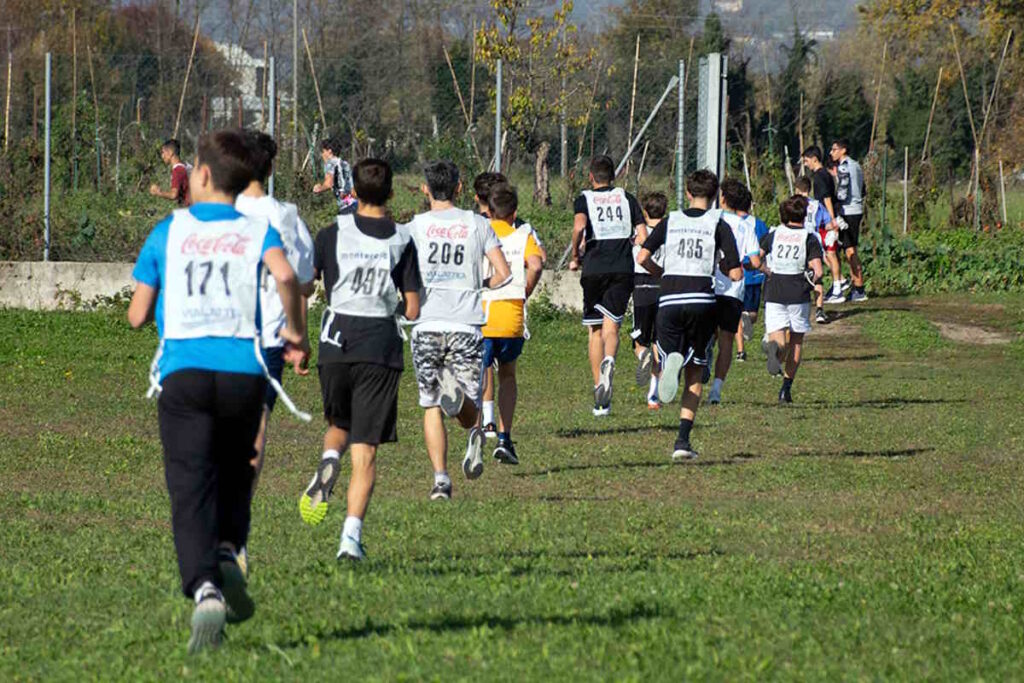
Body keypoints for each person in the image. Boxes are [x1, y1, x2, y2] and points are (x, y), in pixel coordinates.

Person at [127, 129, 310, 654]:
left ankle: (205, 587)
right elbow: (286, 276)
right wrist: (294, 331)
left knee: (189, 483)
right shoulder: (257, 232)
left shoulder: (170, 229)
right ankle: (229, 551)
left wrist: (145, 304)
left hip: (183, 374)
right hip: (242, 374)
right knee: (237, 468)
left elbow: (139, 315)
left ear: (201, 176)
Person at [298, 158, 423, 561]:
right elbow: (414, 309)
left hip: (335, 341)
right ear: (390, 194)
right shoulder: (402, 239)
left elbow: (306, 284)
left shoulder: (332, 233)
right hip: (378, 345)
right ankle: (350, 538)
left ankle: (328, 460)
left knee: (338, 424)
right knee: (366, 448)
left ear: (355, 190)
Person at [233, 130, 315, 575]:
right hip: (264, 340)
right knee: (254, 434)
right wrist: (297, 337)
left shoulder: (209, 214)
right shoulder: (285, 216)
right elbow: (302, 280)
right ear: (270, 167)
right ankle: (236, 531)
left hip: (209, 338)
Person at [408, 160, 511, 500]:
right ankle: (474, 429)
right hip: (466, 323)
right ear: (460, 187)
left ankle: (440, 480)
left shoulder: (415, 226)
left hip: (426, 323)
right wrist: (479, 284)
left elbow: (403, 275)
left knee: (431, 405)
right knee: (468, 411)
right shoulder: (477, 224)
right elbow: (504, 274)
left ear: (425, 189)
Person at [636, 169, 741, 460]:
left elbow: (643, 257)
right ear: (715, 193)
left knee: (669, 349)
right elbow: (735, 272)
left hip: (669, 296)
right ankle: (682, 441)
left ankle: (669, 358)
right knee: (696, 370)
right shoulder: (718, 222)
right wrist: (724, 267)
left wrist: (662, 274)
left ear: (688, 192)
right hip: (701, 299)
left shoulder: (672, 219)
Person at [568, 155, 645, 416]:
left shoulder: (585, 199)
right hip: (622, 268)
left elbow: (579, 226)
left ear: (591, 177)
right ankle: (609, 361)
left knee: (595, 331)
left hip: (594, 267)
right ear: (614, 176)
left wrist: (576, 255)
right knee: (613, 325)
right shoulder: (627, 198)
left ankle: (600, 392)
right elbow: (643, 236)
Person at [473, 171, 547, 436]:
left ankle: (483, 423)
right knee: (507, 373)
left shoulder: (474, 228)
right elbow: (539, 260)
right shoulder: (522, 229)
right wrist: (525, 289)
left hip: (482, 311)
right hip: (512, 314)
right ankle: (502, 433)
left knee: (479, 370)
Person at [758, 195, 824, 404]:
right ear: (804, 216)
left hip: (775, 289)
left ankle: (774, 351)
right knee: (796, 340)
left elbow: (757, 258)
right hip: (798, 291)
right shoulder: (809, 238)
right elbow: (818, 271)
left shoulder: (773, 235)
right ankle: (785, 389)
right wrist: (810, 279)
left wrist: (767, 270)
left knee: (778, 339)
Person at [707, 179, 761, 405]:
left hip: (708, 284)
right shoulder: (747, 226)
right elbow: (756, 261)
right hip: (733, 289)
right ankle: (716, 389)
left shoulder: (711, 220)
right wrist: (744, 264)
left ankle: (704, 361)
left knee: (707, 333)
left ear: (722, 199)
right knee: (727, 338)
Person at [632, 191, 667, 410]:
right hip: (662, 287)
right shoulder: (669, 232)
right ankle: (653, 396)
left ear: (645, 212)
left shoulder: (638, 234)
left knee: (640, 340)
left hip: (641, 287)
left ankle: (642, 355)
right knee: (658, 342)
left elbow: (635, 258)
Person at [794, 176, 838, 322]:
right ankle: (819, 310)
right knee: (817, 273)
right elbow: (826, 224)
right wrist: (836, 226)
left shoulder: (793, 203)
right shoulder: (816, 205)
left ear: (797, 189)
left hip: (796, 238)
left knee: (797, 271)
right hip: (813, 240)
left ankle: (798, 305)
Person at [830, 138, 868, 302]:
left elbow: (843, 191)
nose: (832, 153)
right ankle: (856, 285)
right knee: (850, 248)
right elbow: (863, 189)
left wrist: (834, 205)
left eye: (834, 149)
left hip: (848, 210)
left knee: (849, 249)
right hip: (857, 208)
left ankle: (858, 287)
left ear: (843, 150)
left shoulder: (844, 166)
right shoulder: (857, 166)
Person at [736, 205, 769, 362]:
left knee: (738, 315)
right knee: (752, 313)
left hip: (736, 274)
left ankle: (741, 352)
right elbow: (766, 245)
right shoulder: (758, 223)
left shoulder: (729, 222)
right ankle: (748, 318)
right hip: (754, 275)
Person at [313, 138, 355, 212]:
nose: (322, 155)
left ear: (329, 151)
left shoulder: (330, 164)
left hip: (345, 205)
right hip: (354, 202)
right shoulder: (345, 163)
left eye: (323, 152)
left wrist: (320, 188)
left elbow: (329, 183)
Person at [149, 138, 191, 206]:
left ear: (170, 153)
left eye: (163, 152)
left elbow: (173, 195)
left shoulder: (177, 171)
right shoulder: (186, 165)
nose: (162, 156)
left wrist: (158, 192)